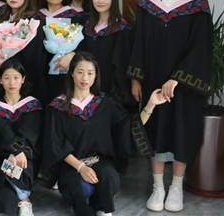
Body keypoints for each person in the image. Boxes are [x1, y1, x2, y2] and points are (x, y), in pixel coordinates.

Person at [126, 0, 213, 213]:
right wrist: (136, 79)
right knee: (154, 130)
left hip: (183, 88)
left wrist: (177, 79)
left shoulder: (197, 6)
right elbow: (138, 44)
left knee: (181, 132)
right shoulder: (147, 6)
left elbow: (201, 47)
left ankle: (176, 187)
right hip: (152, 81)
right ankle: (158, 187)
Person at [41, 52, 166, 216]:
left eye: (90, 73)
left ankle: (102, 208)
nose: (85, 78)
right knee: (81, 187)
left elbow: (129, 126)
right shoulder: (58, 107)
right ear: (71, 73)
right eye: (80, 72)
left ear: (95, 76)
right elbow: (56, 144)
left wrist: (150, 105)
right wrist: (81, 167)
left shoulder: (104, 104)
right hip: (72, 165)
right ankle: (80, 204)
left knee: (108, 177)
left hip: (99, 161)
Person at [57, 0, 134, 104]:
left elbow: (121, 66)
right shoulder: (87, 27)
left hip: (111, 91)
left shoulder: (122, 29)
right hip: (86, 88)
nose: (100, 1)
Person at [0, 59, 42, 216]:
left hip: (25, 158)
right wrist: (14, 151)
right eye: (7, 78)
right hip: (0, 158)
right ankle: (25, 198)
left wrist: (17, 153)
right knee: (0, 197)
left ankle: (24, 200)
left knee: (7, 194)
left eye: (16, 77)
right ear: (0, 80)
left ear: (23, 79)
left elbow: (30, 134)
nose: (12, 82)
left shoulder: (32, 105)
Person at [0, 0, 48, 105]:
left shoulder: (33, 21)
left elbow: (32, 56)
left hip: (22, 85)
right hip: (0, 83)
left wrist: (3, 68)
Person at [38, 0, 85, 101]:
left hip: (66, 70)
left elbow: (83, 43)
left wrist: (72, 55)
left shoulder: (74, 16)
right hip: (41, 73)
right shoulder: (37, 17)